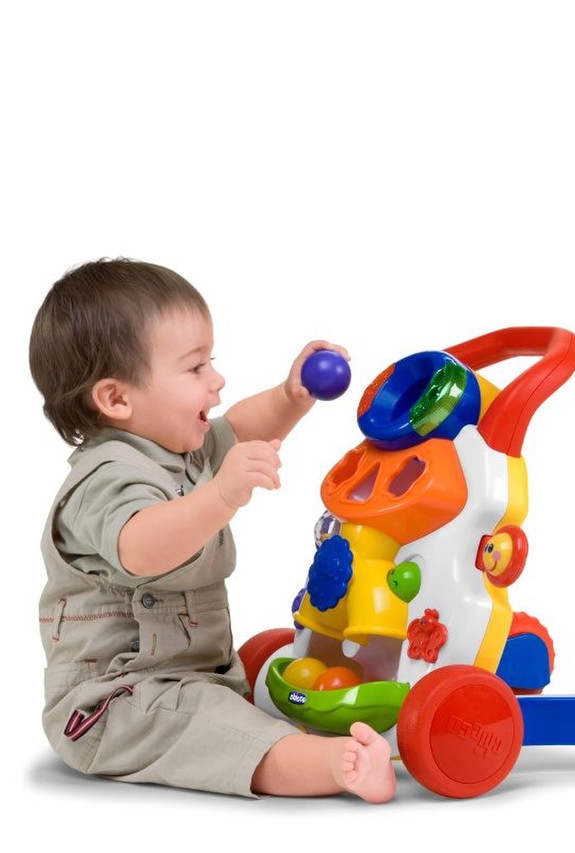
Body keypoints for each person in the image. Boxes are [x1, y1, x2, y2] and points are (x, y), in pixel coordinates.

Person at [28, 258, 395, 802]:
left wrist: (290, 396)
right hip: (119, 702)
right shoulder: (105, 479)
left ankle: (284, 727)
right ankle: (337, 767)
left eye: (211, 362)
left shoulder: (179, 449)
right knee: (223, 733)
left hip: (196, 681)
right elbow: (141, 547)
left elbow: (240, 427)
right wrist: (220, 495)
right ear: (117, 399)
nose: (217, 381)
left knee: (219, 712)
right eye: (195, 367)